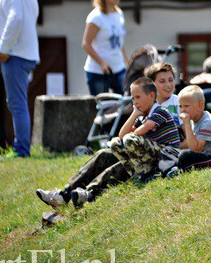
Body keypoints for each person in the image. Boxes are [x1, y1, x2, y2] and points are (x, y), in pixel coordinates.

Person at [36, 77, 181, 207]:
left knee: (121, 160)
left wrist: (132, 127)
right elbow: (122, 135)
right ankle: (64, 194)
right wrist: (134, 114)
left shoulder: (159, 111)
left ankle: (89, 193)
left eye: (138, 97)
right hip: (141, 156)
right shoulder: (141, 116)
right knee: (104, 154)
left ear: (151, 96)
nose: (134, 102)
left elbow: (135, 135)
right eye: (132, 98)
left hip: (160, 161)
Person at [0, 0, 39, 158]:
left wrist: (3, 49)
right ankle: (21, 147)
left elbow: (15, 18)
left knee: (17, 103)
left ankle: (21, 149)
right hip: (23, 52)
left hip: (14, 54)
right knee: (18, 102)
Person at [164, 86, 211, 175]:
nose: (182, 110)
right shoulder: (193, 120)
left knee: (185, 155)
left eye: (186, 106)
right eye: (180, 106)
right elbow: (190, 144)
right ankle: (164, 171)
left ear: (200, 106)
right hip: (202, 156)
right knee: (169, 152)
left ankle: (178, 170)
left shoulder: (208, 122)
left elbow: (195, 148)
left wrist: (186, 124)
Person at [82, 0, 128, 95]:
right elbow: (86, 44)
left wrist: (127, 61)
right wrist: (101, 63)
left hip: (118, 68)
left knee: (126, 104)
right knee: (102, 108)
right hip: (98, 71)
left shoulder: (119, 13)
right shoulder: (96, 17)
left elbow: (119, 42)